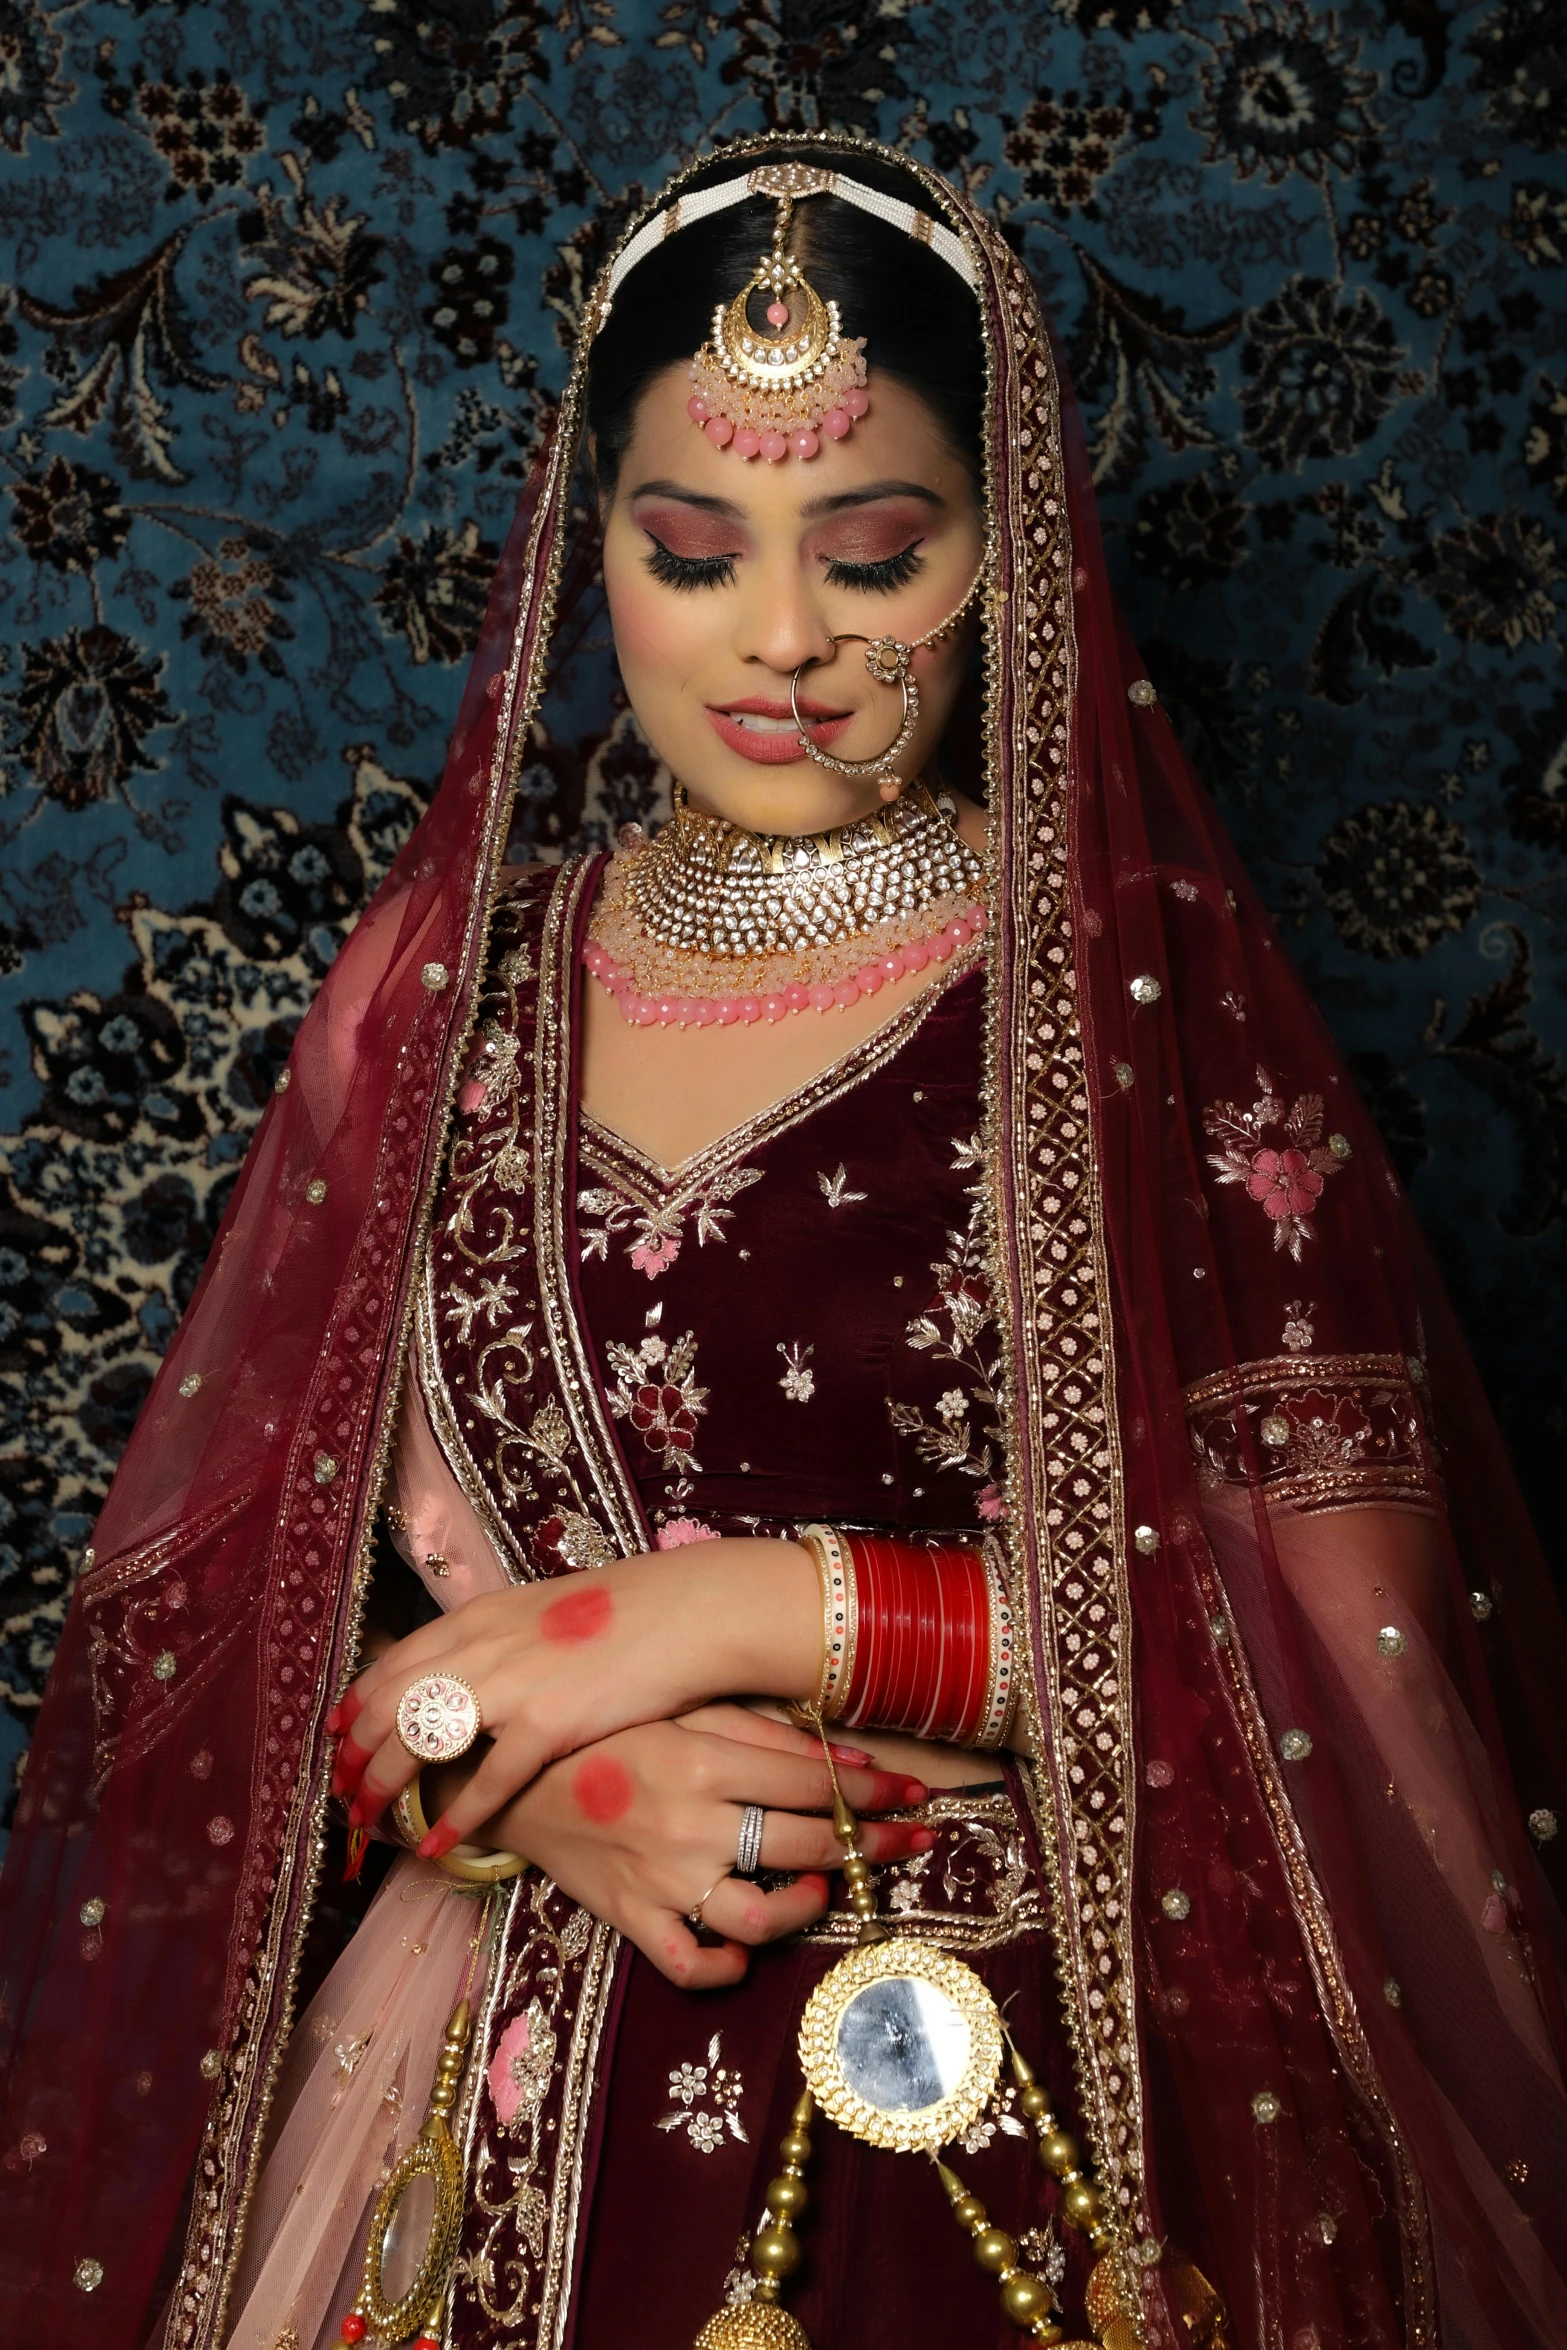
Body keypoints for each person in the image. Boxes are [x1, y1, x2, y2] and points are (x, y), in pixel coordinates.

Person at [1, 130, 1563, 2350]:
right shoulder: (440, 1000)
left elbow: (1343, 1680)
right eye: (690, 549)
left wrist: (711, 1615)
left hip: (1021, 2071)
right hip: (487, 2079)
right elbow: (252, 1676)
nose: (785, 638)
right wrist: (537, 1788)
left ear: (1006, 553)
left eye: (877, 549)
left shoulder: (1135, 991)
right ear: (589, 554)